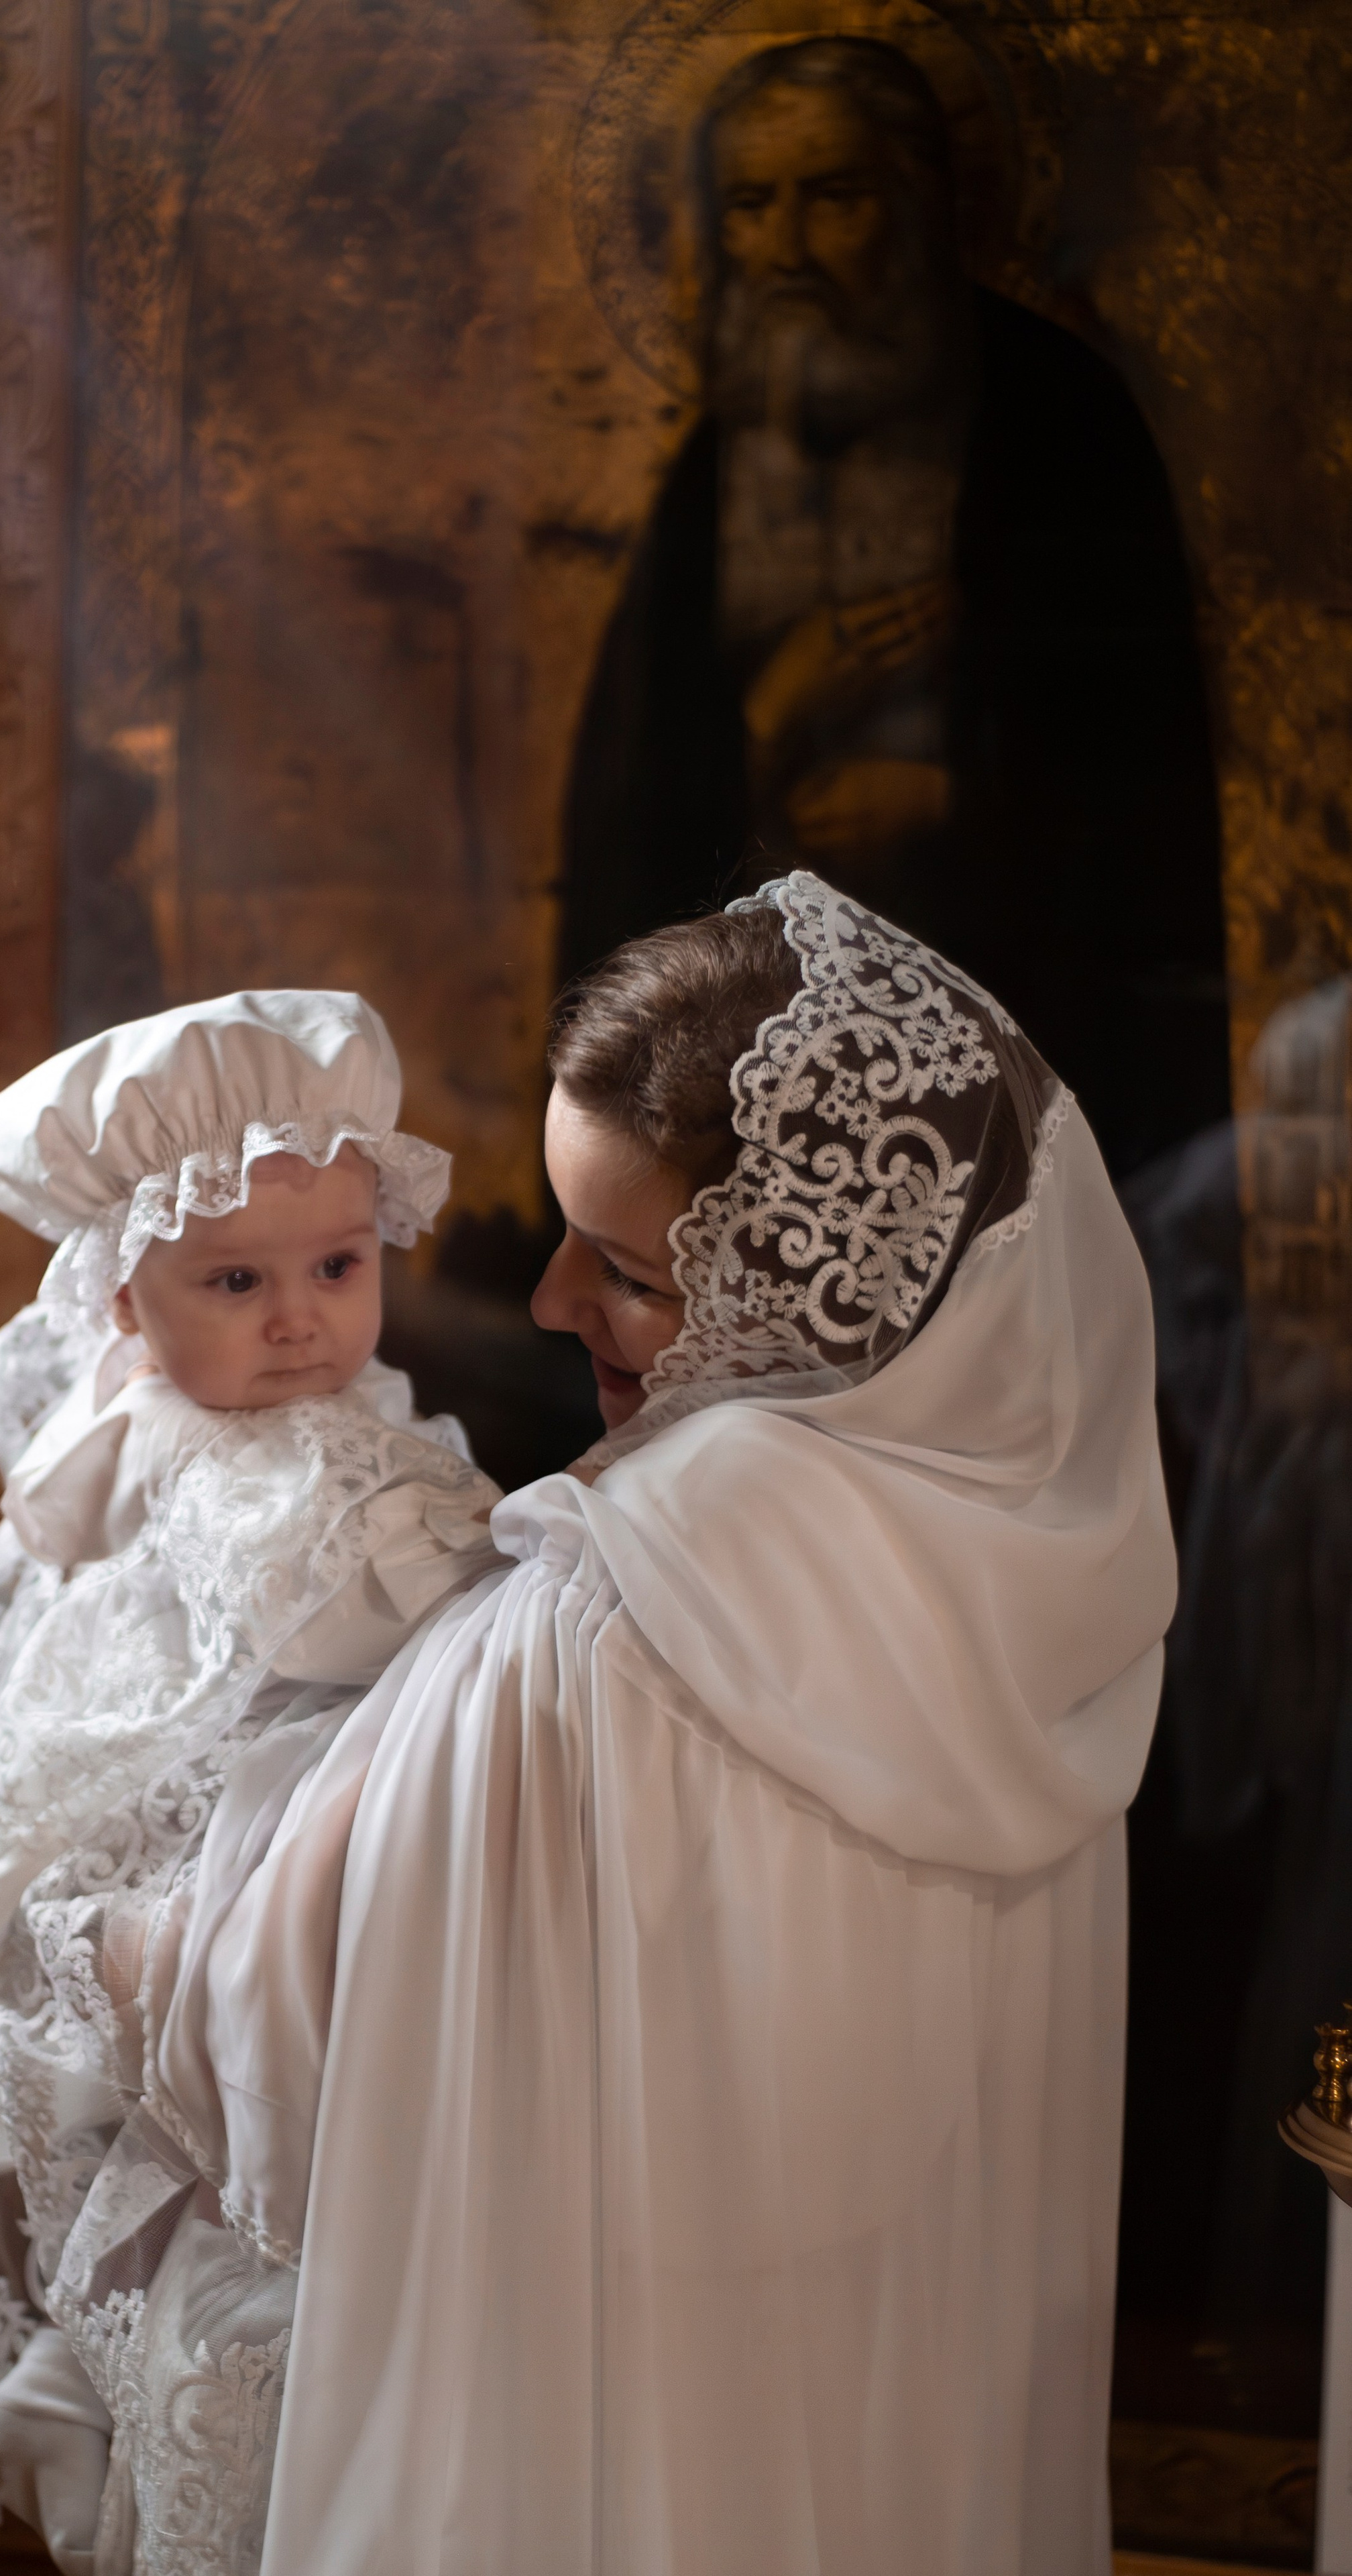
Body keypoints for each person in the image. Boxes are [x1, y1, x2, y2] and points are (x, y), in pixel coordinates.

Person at [153, 873, 1176, 2572]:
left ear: (815, 1287)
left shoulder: (607, 1620)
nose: (552, 1303)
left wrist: (109, 1922)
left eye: (629, 1270)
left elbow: (291, 2052)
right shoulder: (1046, 1593)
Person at [0, 989, 502, 2575]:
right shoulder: (266, 1461)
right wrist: (519, 1553)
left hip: (223, 1867)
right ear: (118, 1295)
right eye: (234, 1280)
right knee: (202, 2186)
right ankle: (119, 2395)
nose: (300, 1318)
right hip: (206, 1860)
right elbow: (364, 1608)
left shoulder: (218, 1411)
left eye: (337, 1265)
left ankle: (105, 2385)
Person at [564, 37, 1227, 1178]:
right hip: (764, 1051)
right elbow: (632, 814)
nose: (785, 249)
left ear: (922, 206)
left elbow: (1139, 773)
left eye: (833, 197)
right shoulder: (713, 467)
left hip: (1022, 1015)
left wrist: (960, 807)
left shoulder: (1055, 417)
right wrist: (775, 719)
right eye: (750, 206)